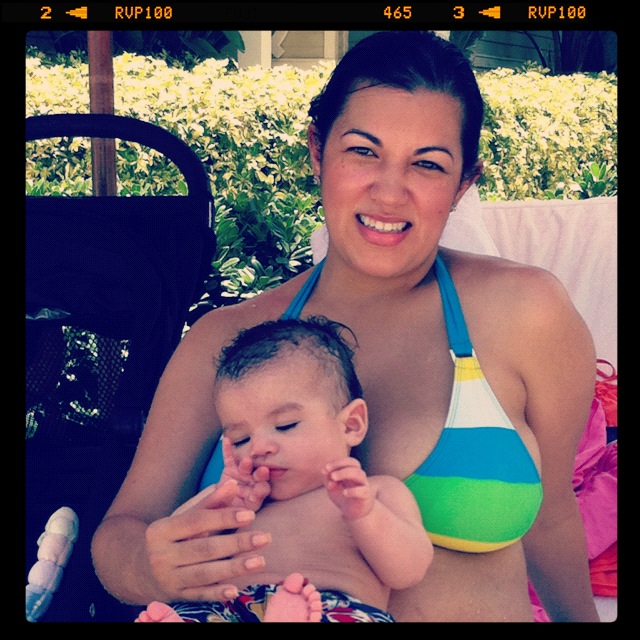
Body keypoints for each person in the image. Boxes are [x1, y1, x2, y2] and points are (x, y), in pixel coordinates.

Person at [92, 31, 600, 622]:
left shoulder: (526, 312)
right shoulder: (227, 341)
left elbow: (552, 516)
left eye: (428, 164)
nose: (389, 193)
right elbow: (121, 533)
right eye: (363, 151)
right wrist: (150, 565)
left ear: (464, 183)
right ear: (317, 151)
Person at [133, 317, 432, 622]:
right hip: (229, 608)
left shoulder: (375, 492)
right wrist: (221, 502)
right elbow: (177, 550)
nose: (258, 447)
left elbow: (408, 572)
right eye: (241, 439)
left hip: (329, 606)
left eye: (285, 425)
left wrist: (365, 515)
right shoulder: (242, 502)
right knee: (194, 612)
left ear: (351, 425)